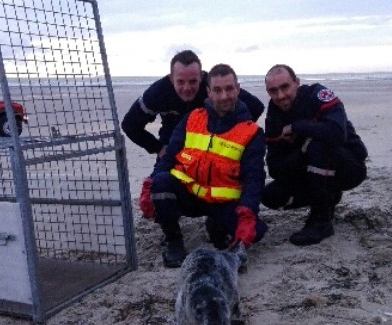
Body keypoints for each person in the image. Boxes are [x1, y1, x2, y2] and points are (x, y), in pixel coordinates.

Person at [126, 50, 265, 246]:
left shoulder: (218, 86)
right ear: (170, 78)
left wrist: (235, 134)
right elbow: (130, 125)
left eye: (193, 81)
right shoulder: (159, 93)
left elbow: (256, 107)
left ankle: (216, 221)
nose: (187, 87)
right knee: (160, 184)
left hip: (219, 166)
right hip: (176, 145)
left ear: (202, 79)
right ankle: (172, 238)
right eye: (180, 82)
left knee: (255, 232)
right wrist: (158, 148)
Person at [261, 64, 368, 246]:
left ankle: (321, 220)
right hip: (309, 171)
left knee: (317, 144)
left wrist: (298, 127)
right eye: (273, 91)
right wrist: (301, 152)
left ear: (297, 83)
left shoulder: (317, 95)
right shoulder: (273, 115)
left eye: (285, 87)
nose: (280, 96)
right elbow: (275, 168)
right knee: (270, 196)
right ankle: (329, 198)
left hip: (349, 166)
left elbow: (336, 133)